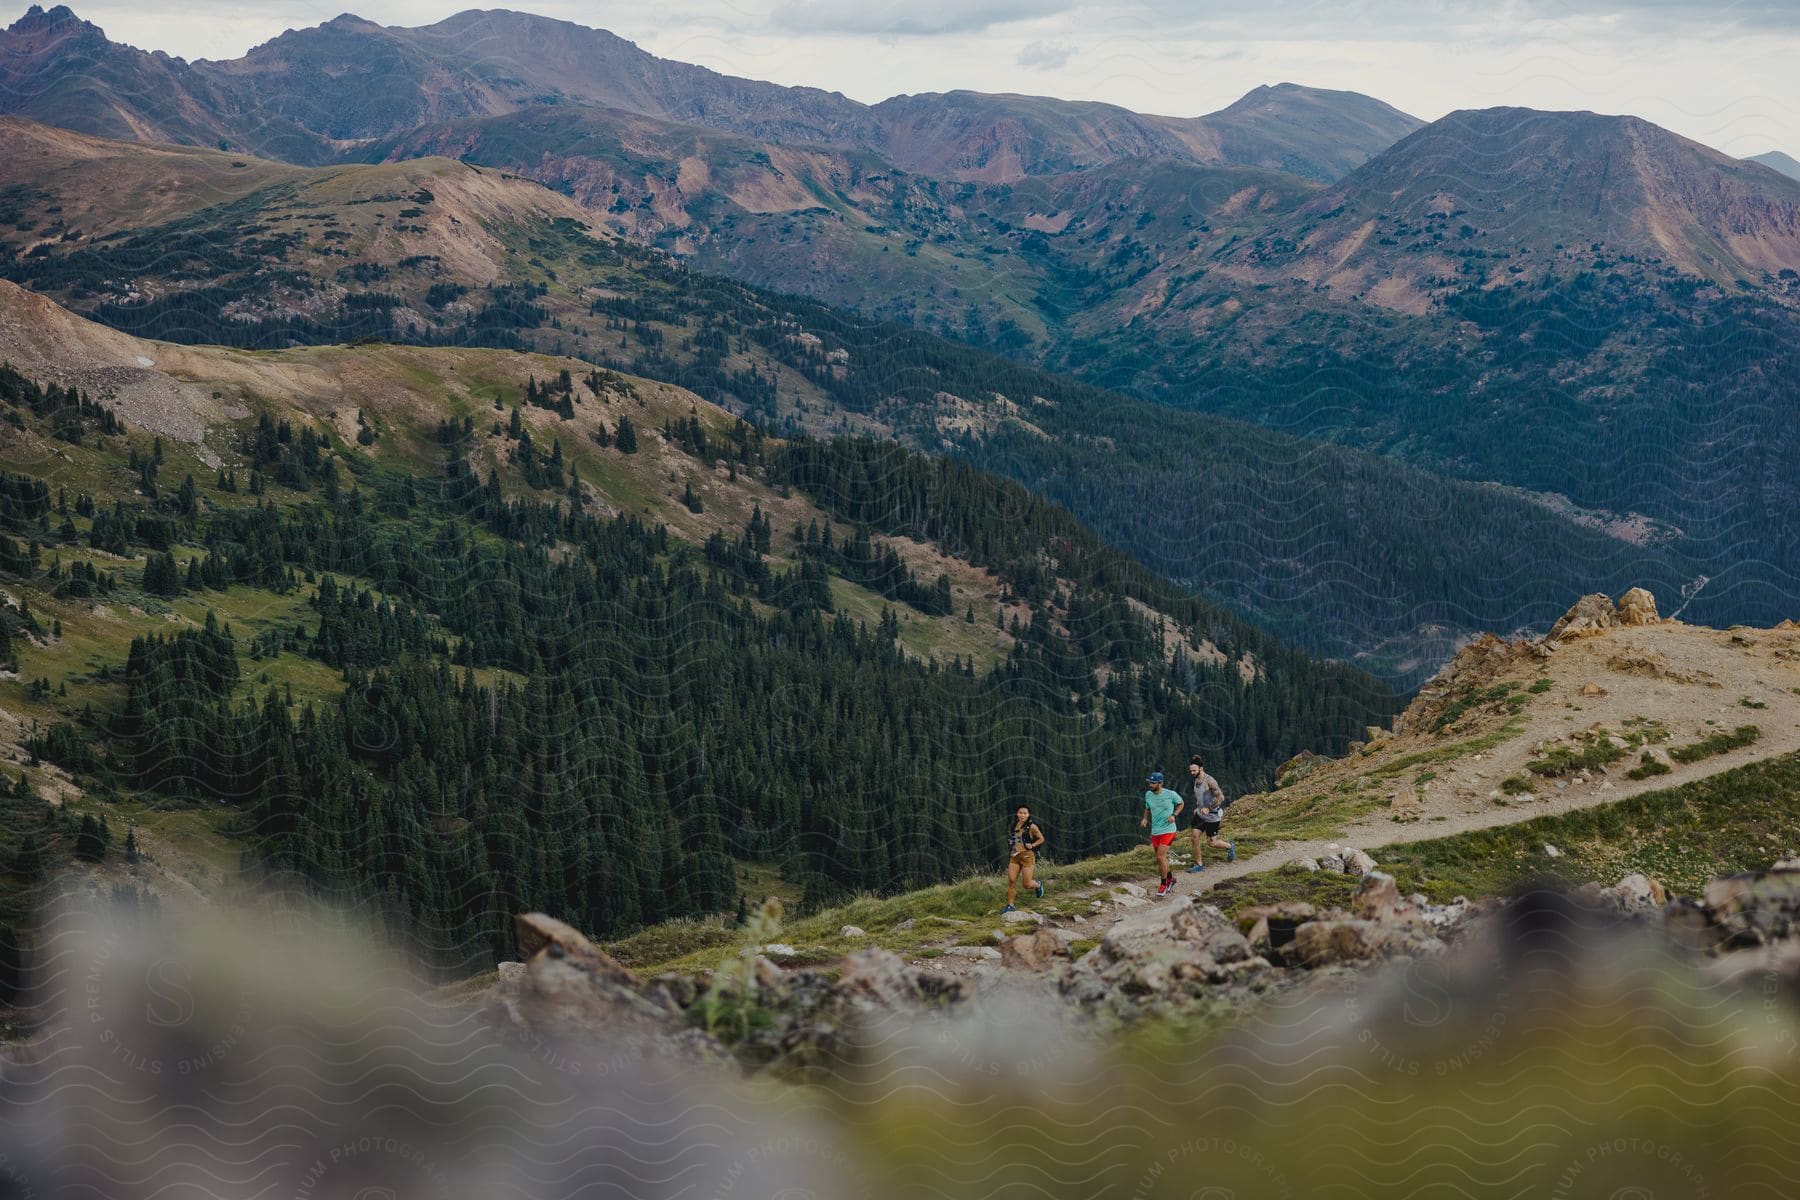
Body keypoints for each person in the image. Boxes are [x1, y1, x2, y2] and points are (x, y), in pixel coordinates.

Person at [1185, 754, 1237, 872]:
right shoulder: (1196, 780)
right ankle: (1199, 864)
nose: (1192, 773)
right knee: (1194, 836)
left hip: (1212, 816)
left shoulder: (1209, 781)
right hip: (1200, 815)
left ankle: (1229, 846)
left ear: (1201, 769)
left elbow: (1221, 797)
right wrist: (1198, 808)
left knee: (1211, 843)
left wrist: (1209, 808)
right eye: (1191, 771)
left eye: (1194, 770)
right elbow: (1202, 797)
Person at [1139, 771, 1182, 897]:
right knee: (1161, 860)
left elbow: (1181, 803)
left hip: (1168, 830)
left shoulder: (1170, 794)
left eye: (1153, 783)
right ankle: (1171, 879)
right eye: (1150, 782)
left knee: (1160, 857)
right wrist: (1145, 819)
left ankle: (1163, 884)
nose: (1150, 785)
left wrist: (1174, 815)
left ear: (1160, 783)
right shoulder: (1148, 794)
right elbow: (1147, 807)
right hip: (1155, 831)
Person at [1001, 805, 1045, 914]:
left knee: (1027, 884)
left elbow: (1041, 839)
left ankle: (1038, 884)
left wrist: (1033, 845)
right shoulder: (1014, 825)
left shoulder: (1032, 826)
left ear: (1028, 815)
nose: (1022, 815)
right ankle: (1010, 905)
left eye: (1025, 813)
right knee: (1011, 881)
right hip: (1015, 856)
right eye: (1020, 812)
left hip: (1027, 856)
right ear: (1017, 813)